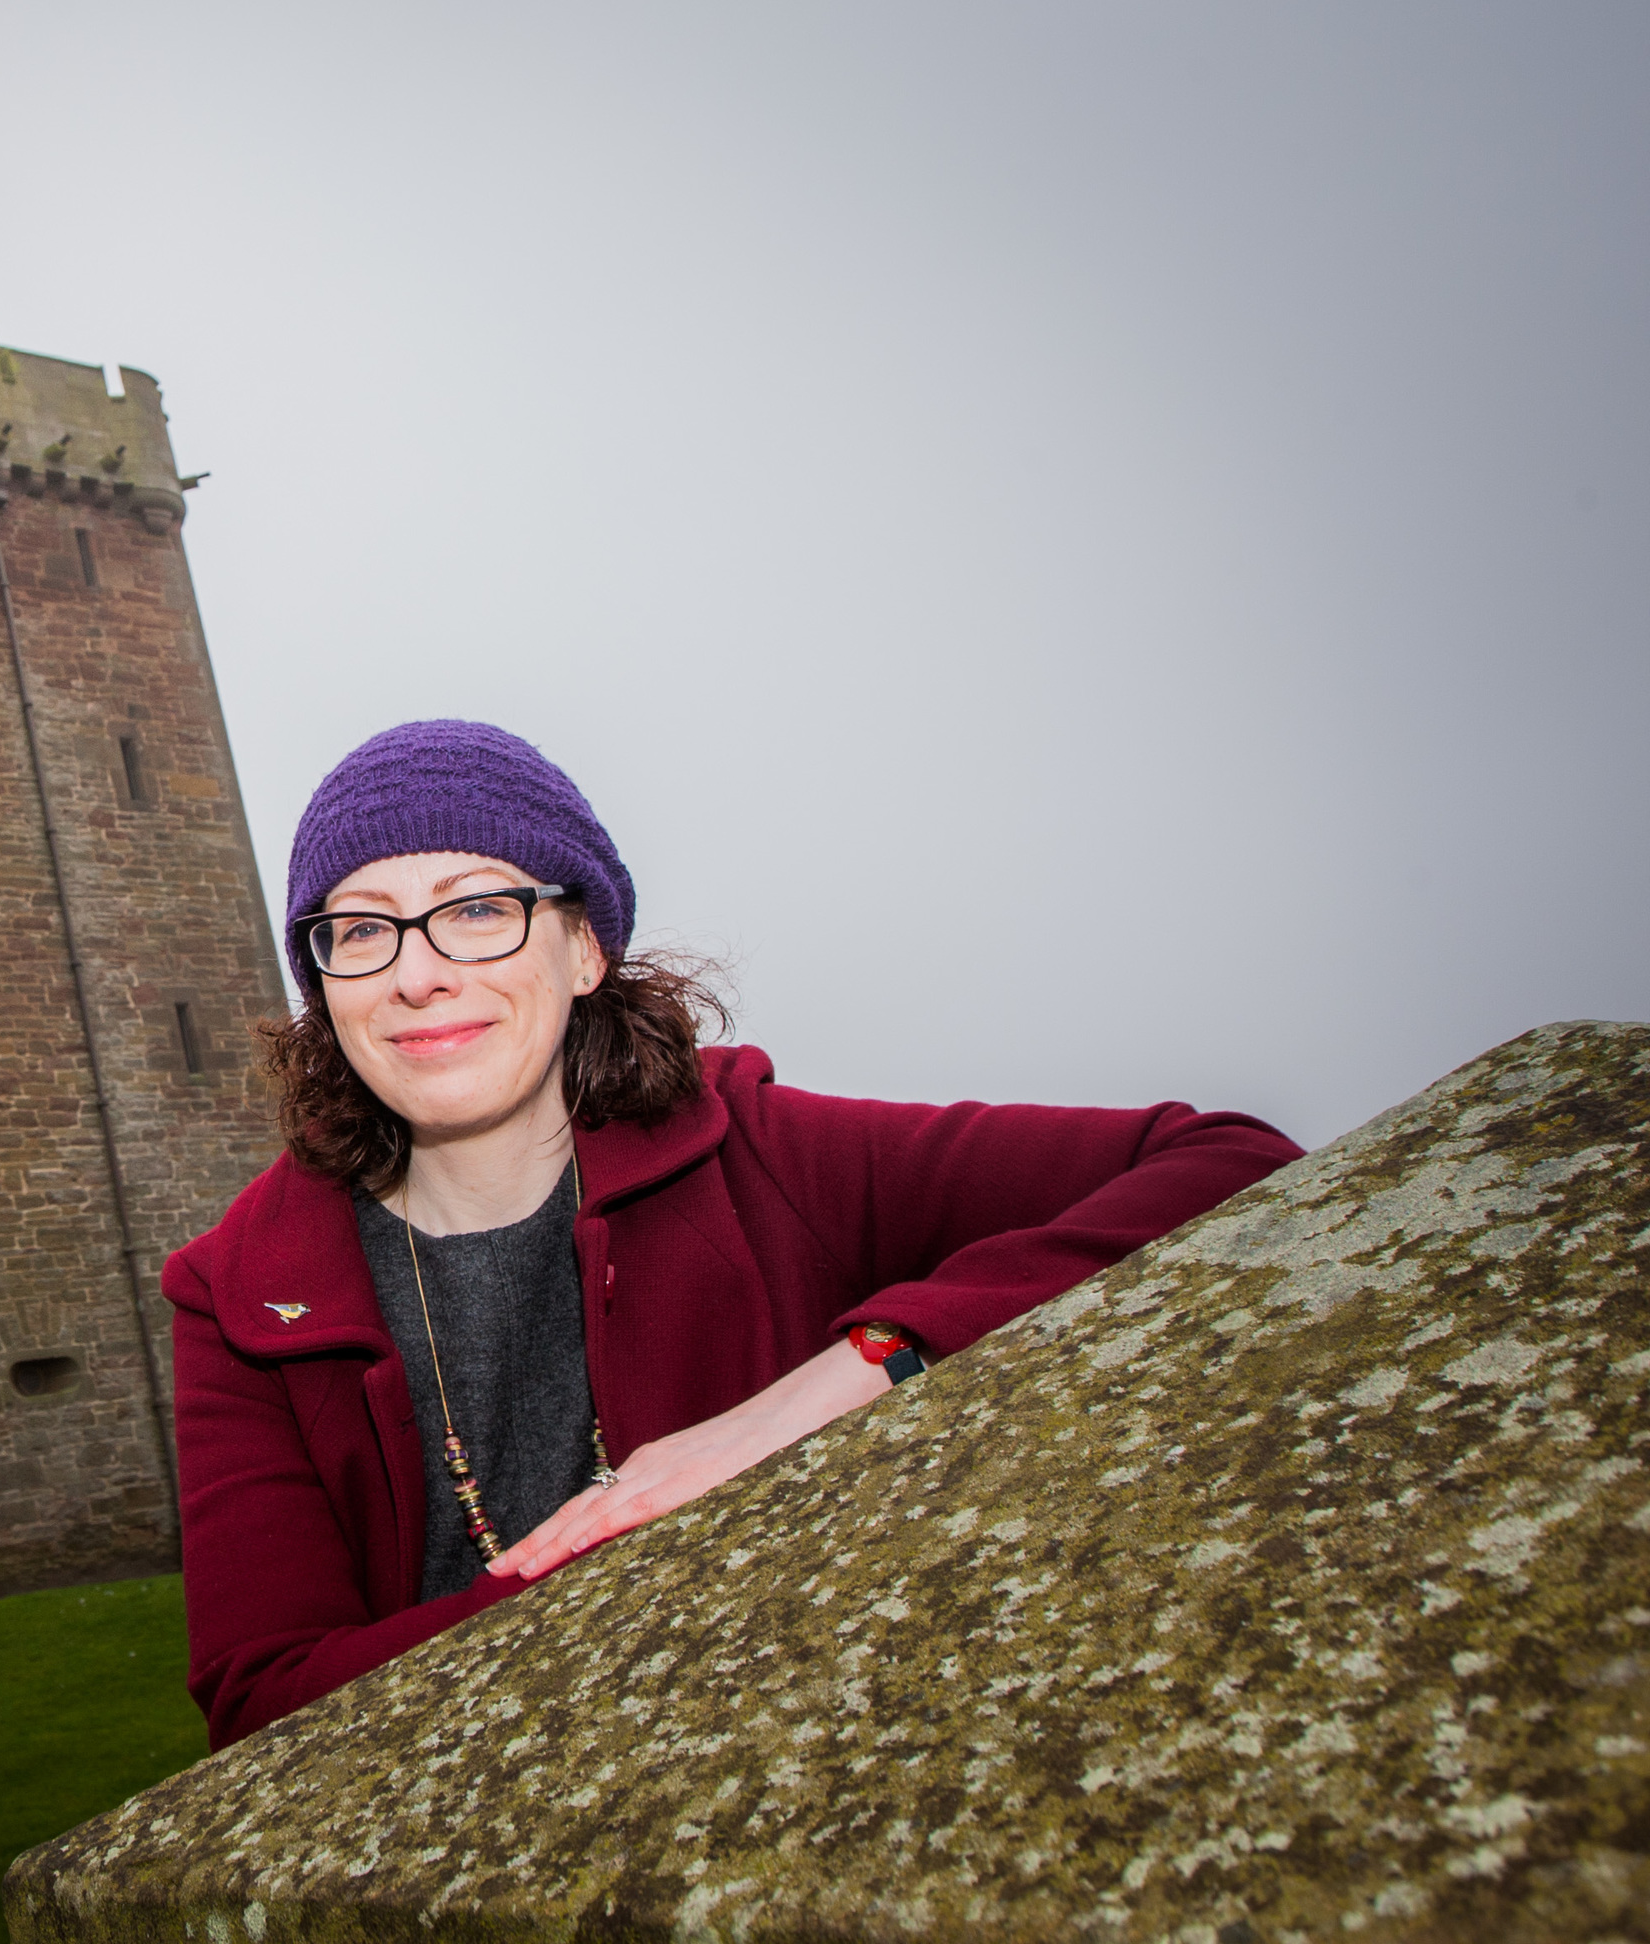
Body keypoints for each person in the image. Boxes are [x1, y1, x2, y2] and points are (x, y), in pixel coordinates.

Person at [167, 720, 1301, 1749]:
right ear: (324, 982)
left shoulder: (758, 1152)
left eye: (477, 909)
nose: (417, 974)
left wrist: (833, 1387)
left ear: (582, 951)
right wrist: (637, 1549)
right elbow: (267, 1703)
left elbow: (1225, 1162)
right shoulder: (243, 1294)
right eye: (360, 931)